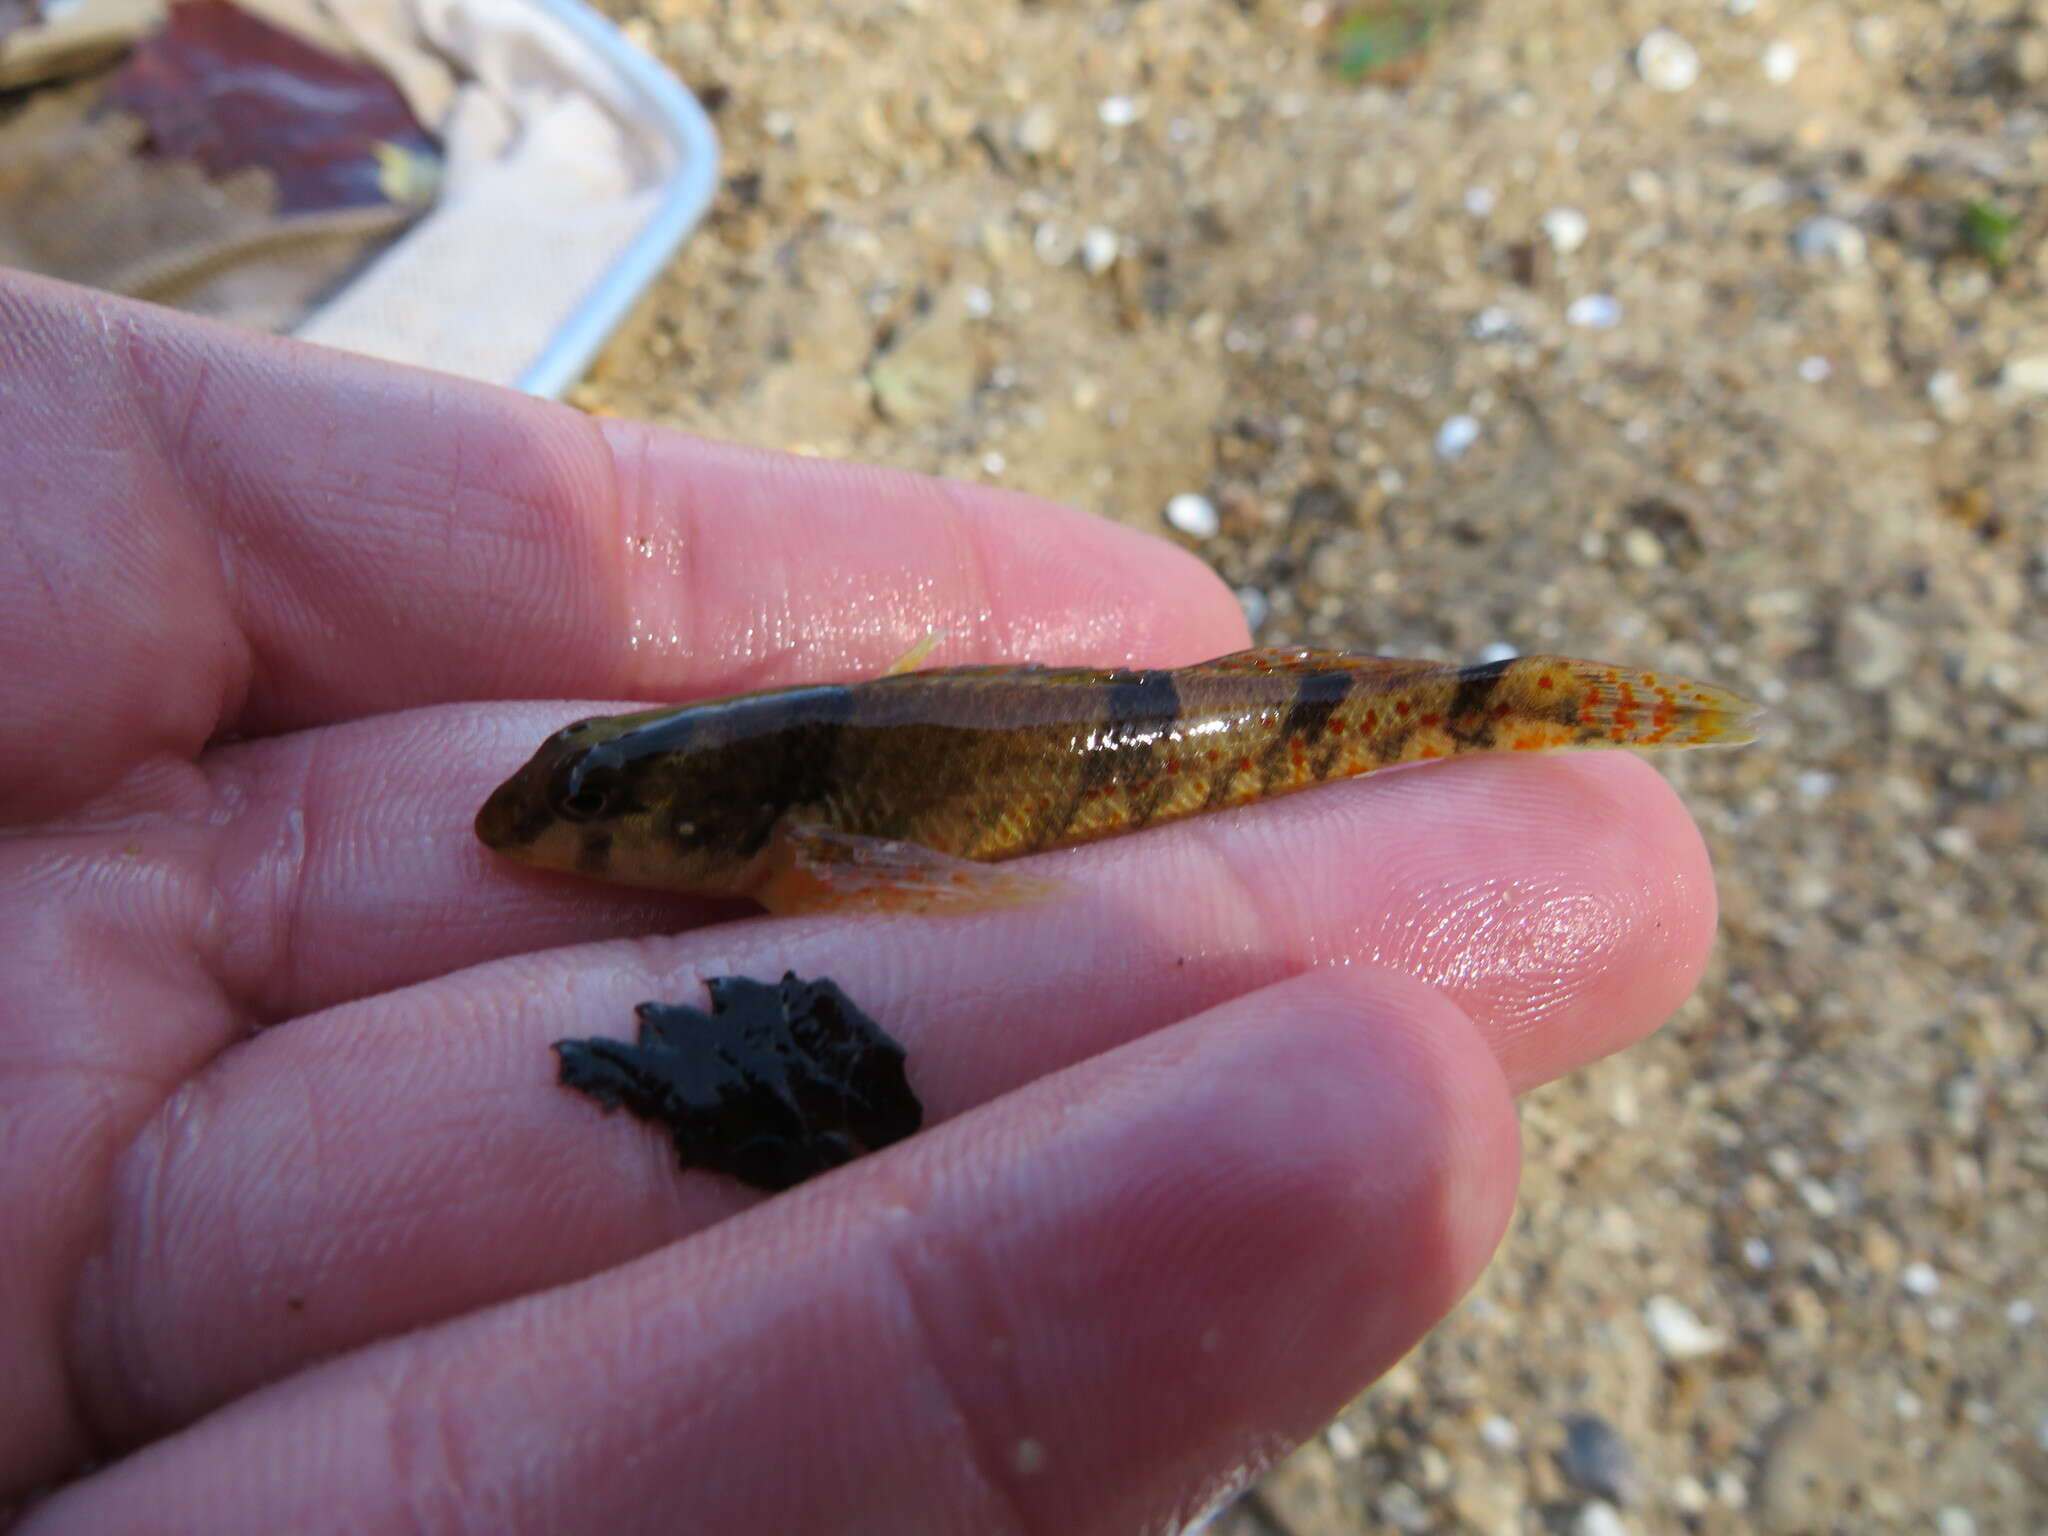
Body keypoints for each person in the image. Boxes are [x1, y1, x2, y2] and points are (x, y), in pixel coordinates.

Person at [0, 268, 1719, 1532]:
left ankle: (1510, 703)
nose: (567, 827)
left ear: (711, 801)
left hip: (1173, 742)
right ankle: (1506, 698)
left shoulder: (782, 835)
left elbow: (886, 885)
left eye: (607, 803)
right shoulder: (740, 800)